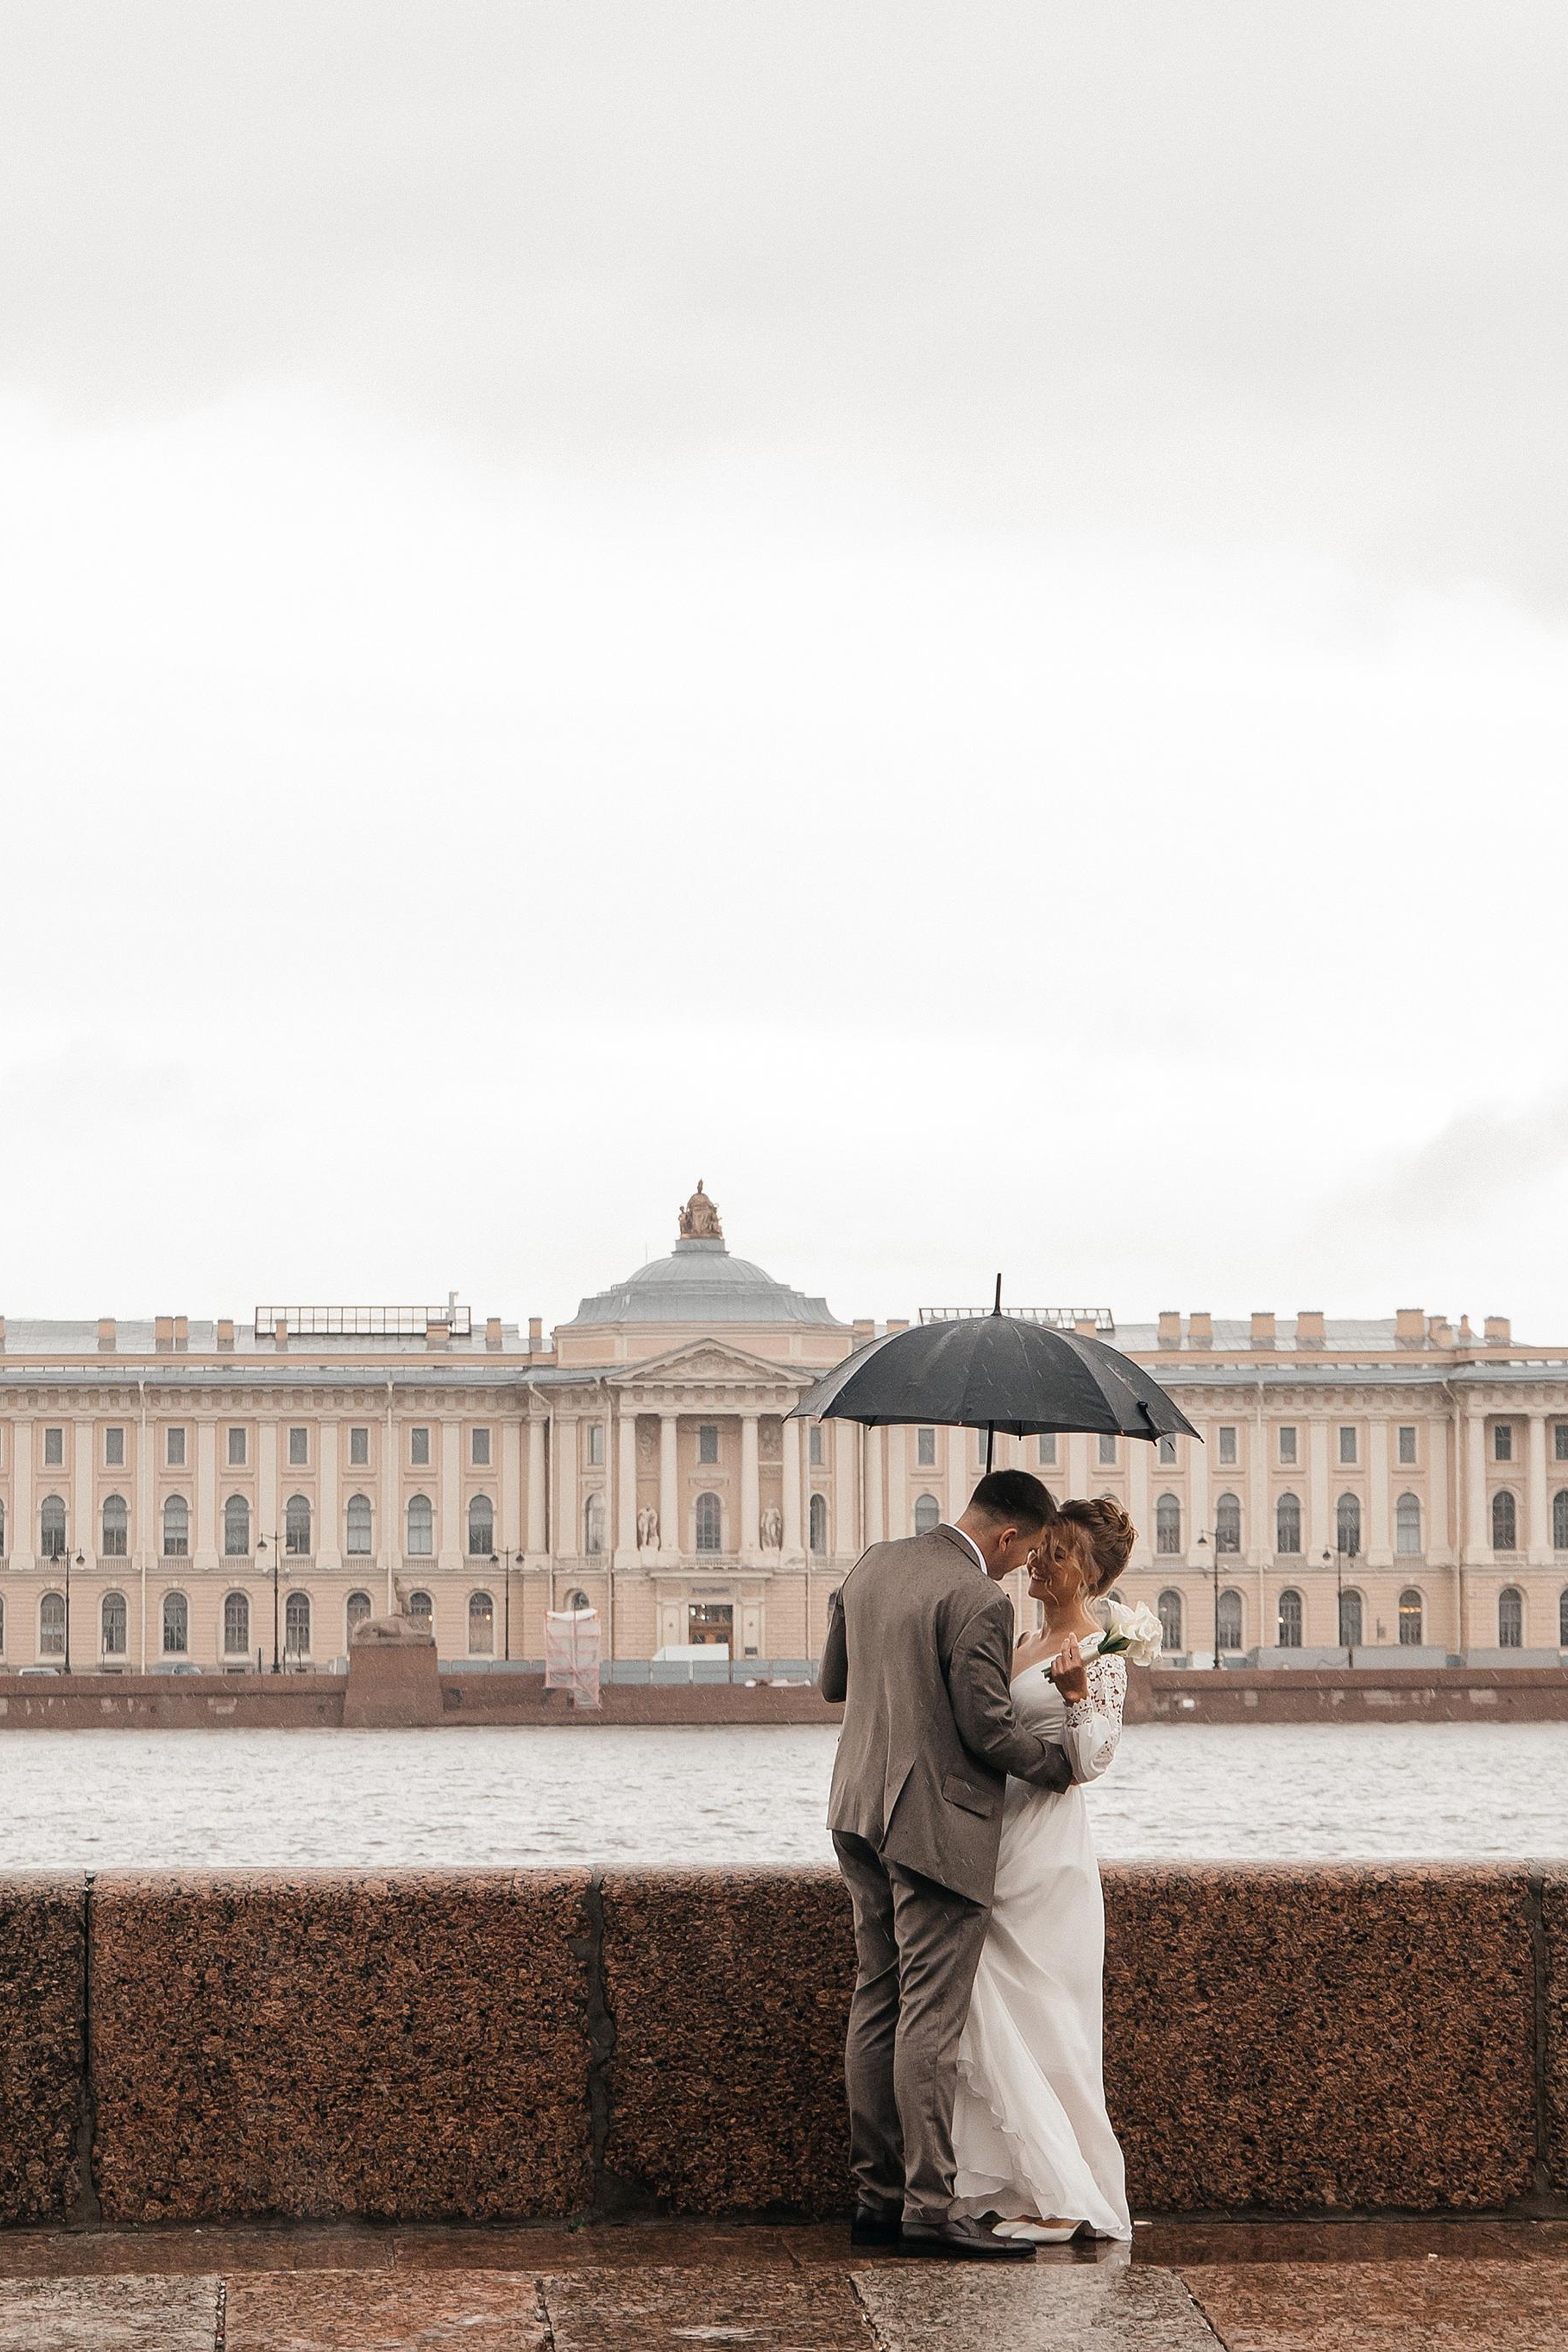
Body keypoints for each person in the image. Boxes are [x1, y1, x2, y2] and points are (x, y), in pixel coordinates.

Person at [819, 1468, 1072, 2260]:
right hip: (932, 1831)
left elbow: (832, 1684)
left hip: (856, 1812)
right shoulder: (978, 1599)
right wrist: (1061, 1760)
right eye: (1023, 1552)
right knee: (929, 2016)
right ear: (1006, 1536)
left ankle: (876, 2198)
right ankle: (930, 2208)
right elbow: (989, 1730)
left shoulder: (870, 1564)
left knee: (878, 1999)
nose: (1021, 1570)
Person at [948, 1495, 1137, 2244]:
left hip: (1050, 1854)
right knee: (998, 2011)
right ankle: (1027, 2185)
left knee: (1050, 2022)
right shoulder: (1021, 1637)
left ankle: (1068, 2198)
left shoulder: (1099, 1650)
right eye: (1038, 1549)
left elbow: (1092, 1761)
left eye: (1054, 1554)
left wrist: (1077, 1695)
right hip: (997, 1842)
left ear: (1085, 1573)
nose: (1035, 1560)